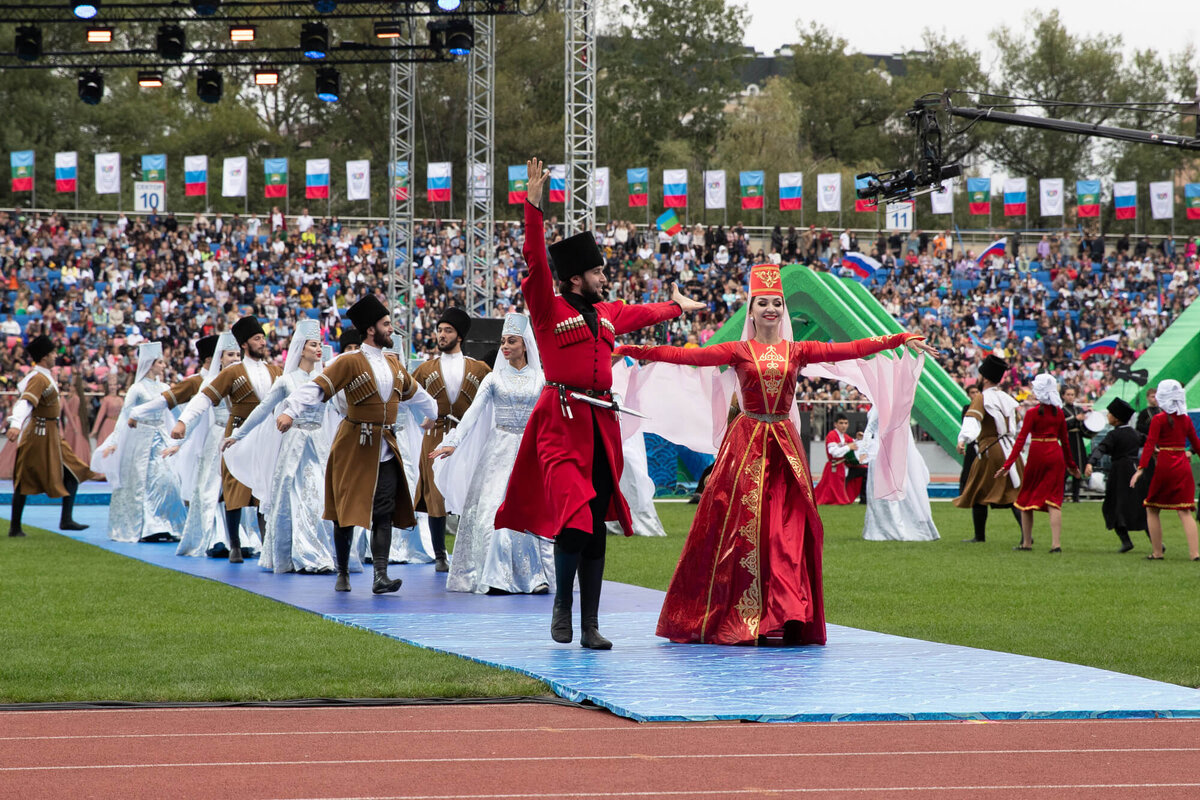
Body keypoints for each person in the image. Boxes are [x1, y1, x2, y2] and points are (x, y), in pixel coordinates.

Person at [616, 262, 935, 645]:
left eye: (777, 303)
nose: (770, 309)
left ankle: (782, 614)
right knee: (738, 530)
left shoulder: (797, 350)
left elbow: (849, 349)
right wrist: (633, 348)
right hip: (745, 445)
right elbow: (689, 358)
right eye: (763, 302)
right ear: (750, 310)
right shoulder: (738, 350)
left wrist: (898, 339)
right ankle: (738, 615)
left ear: (784, 310)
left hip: (784, 446)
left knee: (786, 531)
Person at [494, 157, 705, 650]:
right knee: (574, 516)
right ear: (573, 278)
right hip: (561, 420)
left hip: (600, 423)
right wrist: (533, 204)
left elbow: (645, 311)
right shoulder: (548, 307)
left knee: (596, 522)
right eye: (595, 272)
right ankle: (562, 608)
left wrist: (676, 307)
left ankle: (589, 624)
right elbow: (535, 261)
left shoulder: (607, 312)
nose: (604, 278)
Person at [276, 294, 438, 593]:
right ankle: (343, 573)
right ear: (370, 329)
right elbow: (316, 389)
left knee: (384, 511)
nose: (392, 329)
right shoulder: (348, 362)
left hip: (386, 448)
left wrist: (432, 415)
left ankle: (380, 576)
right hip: (353, 446)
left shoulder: (394, 365)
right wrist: (289, 411)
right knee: (345, 512)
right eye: (386, 324)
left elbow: (419, 396)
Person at [430, 313, 554, 594]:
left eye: (511, 341)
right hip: (498, 450)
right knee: (491, 510)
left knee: (527, 511)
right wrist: (454, 441)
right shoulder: (493, 379)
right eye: (503, 342)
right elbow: (472, 414)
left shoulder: (542, 379)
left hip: (529, 452)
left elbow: (550, 417)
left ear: (525, 344)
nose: (505, 346)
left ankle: (532, 576)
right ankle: (493, 575)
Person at [223, 320, 336, 574]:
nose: (318, 349)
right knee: (294, 498)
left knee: (319, 496)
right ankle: (302, 556)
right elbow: (263, 410)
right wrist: (238, 435)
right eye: (313, 344)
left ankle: (320, 553)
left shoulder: (326, 379)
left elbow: (341, 409)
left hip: (319, 444)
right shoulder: (287, 380)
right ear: (301, 348)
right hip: (294, 444)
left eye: (320, 344)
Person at [172, 316, 282, 563]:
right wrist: (183, 421)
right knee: (234, 490)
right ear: (244, 344)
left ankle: (267, 546)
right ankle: (234, 545)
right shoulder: (233, 372)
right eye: (257, 338)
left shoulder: (275, 370)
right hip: (236, 438)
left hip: (266, 438)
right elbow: (204, 398)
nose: (263, 342)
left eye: (263, 337)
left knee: (264, 492)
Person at [164, 333, 260, 558]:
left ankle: (242, 538)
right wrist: (177, 442)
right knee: (212, 490)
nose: (235, 358)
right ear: (220, 358)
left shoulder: (247, 380)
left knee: (240, 488)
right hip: (217, 438)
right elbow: (196, 414)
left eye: (238, 354)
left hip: (241, 437)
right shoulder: (211, 382)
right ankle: (217, 537)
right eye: (230, 355)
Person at [411, 307, 492, 572]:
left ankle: (467, 552)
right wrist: (421, 417)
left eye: (448, 330)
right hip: (434, 438)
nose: (441, 335)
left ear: (460, 336)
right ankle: (439, 555)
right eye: (440, 330)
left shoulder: (480, 369)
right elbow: (407, 397)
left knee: (469, 493)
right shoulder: (424, 369)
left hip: (467, 439)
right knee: (436, 496)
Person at [94, 341, 189, 543]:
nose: (164, 366)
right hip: (139, 439)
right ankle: (147, 527)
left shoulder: (164, 387)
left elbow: (176, 413)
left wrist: (184, 429)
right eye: (160, 362)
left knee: (168, 479)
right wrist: (116, 441)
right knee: (140, 482)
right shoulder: (136, 389)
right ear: (151, 364)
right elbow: (125, 415)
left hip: (160, 436)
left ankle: (166, 524)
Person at [6, 335, 97, 537]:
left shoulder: (43, 376)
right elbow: (26, 402)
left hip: (51, 434)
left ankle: (66, 520)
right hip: (39, 435)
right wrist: (15, 423)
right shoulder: (39, 378)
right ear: (45, 357)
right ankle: (15, 527)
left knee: (73, 472)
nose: (56, 355)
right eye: (53, 353)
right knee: (24, 478)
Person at [995, 374, 1081, 553]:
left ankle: (1027, 542)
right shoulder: (1059, 414)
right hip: (1055, 454)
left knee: (1026, 497)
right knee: (1054, 500)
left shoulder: (1032, 413)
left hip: (1036, 454)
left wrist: (1007, 465)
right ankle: (1055, 544)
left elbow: (1020, 440)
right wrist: (1072, 466)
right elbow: (1065, 443)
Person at [954, 354, 1024, 543]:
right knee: (1013, 493)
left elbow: (972, 421)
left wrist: (963, 440)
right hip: (1011, 450)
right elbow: (1018, 426)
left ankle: (980, 536)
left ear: (984, 378)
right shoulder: (1007, 398)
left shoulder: (981, 398)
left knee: (978, 491)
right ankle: (1026, 536)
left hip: (991, 450)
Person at [1132, 380, 1200, 561]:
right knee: (1185, 511)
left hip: (1164, 465)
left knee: (1152, 508)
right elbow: (1196, 443)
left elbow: (1149, 444)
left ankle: (1157, 552)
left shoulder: (1158, 419)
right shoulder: (1185, 419)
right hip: (1182, 465)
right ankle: (1195, 553)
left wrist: (1141, 468)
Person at [859, 407, 939, 542]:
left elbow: (870, 428)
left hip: (881, 452)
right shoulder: (895, 405)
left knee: (883, 493)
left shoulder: (881, 404)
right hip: (892, 451)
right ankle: (891, 525)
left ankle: (886, 527)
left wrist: (864, 449)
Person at [1084, 398, 1147, 553]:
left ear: (1117, 418)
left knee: (1113, 505)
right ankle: (1156, 541)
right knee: (1140, 507)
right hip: (1135, 470)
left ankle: (1126, 541)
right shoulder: (1135, 433)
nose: (1108, 416)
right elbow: (1149, 442)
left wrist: (1091, 462)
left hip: (1119, 472)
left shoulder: (1113, 435)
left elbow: (1101, 448)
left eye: (1110, 414)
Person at [814, 414, 863, 505]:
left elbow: (854, 445)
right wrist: (848, 447)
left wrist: (859, 439)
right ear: (835, 424)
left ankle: (861, 499)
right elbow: (834, 452)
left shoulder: (845, 436)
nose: (844, 425)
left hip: (842, 466)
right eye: (841, 423)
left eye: (845, 423)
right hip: (834, 466)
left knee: (862, 471)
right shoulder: (832, 435)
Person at [1061, 385, 1093, 502]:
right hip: (1068, 440)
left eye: (1072, 395)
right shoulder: (1062, 411)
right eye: (1068, 395)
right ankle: (1061, 496)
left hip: (1078, 440)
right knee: (1065, 470)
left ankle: (1076, 496)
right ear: (1063, 396)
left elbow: (1084, 427)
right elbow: (1062, 424)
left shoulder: (1079, 410)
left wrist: (1089, 417)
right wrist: (1075, 418)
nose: (1070, 397)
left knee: (1078, 468)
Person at [60, 374, 92, 467]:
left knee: (73, 441)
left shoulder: (75, 398)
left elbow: (70, 412)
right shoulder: (74, 397)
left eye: (72, 385)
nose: (70, 387)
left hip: (73, 421)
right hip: (73, 421)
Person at [958, 384, 981, 494]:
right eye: (973, 392)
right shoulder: (967, 408)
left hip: (984, 441)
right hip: (972, 442)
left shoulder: (984, 407)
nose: (975, 394)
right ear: (968, 395)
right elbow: (965, 426)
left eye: (977, 392)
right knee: (968, 467)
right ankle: (963, 492)